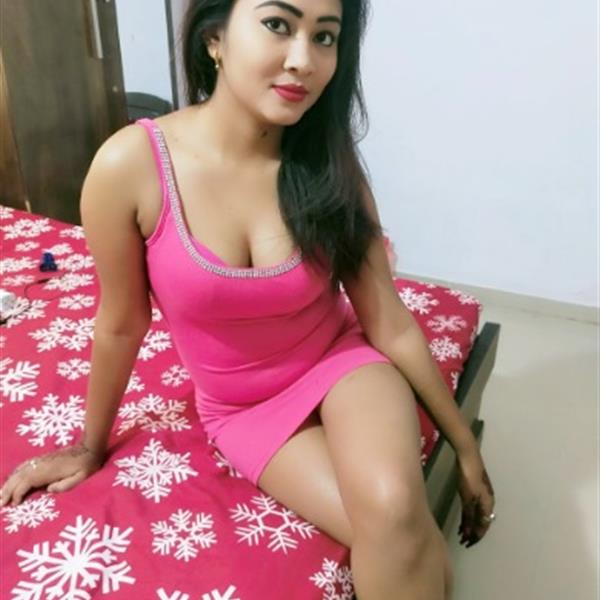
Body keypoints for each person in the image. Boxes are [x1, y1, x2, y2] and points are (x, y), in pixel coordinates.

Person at [0, 1, 495, 598]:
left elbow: (388, 321)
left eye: (325, 37)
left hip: (341, 363)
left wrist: (465, 447)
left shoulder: (327, 159)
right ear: (215, 38)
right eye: (278, 25)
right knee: (406, 540)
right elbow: (121, 324)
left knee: (393, 506)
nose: (303, 60)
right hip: (243, 410)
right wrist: (89, 446)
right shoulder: (130, 166)